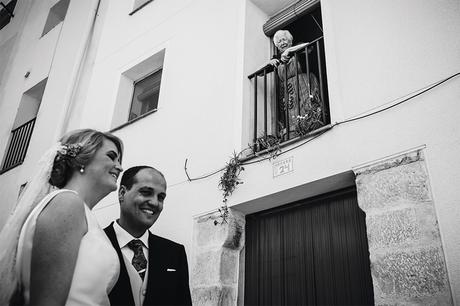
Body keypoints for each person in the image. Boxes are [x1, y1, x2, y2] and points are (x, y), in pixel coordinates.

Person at [0, 129, 123, 306]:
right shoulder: (67, 204)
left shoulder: (79, 209)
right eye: (112, 157)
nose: (120, 167)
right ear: (82, 159)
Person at [104, 166, 192, 306]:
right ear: (122, 193)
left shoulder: (175, 253)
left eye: (161, 197)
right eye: (146, 192)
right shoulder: (92, 243)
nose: (155, 202)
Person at [269, 29, 324, 138]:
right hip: (289, 89)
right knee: (291, 112)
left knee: (307, 106)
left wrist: (289, 51)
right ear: (276, 45)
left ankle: (310, 125)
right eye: (279, 41)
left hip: (303, 83)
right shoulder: (277, 58)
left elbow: (308, 45)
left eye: (284, 40)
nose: (282, 43)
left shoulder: (296, 48)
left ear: (289, 41)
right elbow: (260, 72)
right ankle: (294, 131)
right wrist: (269, 62)